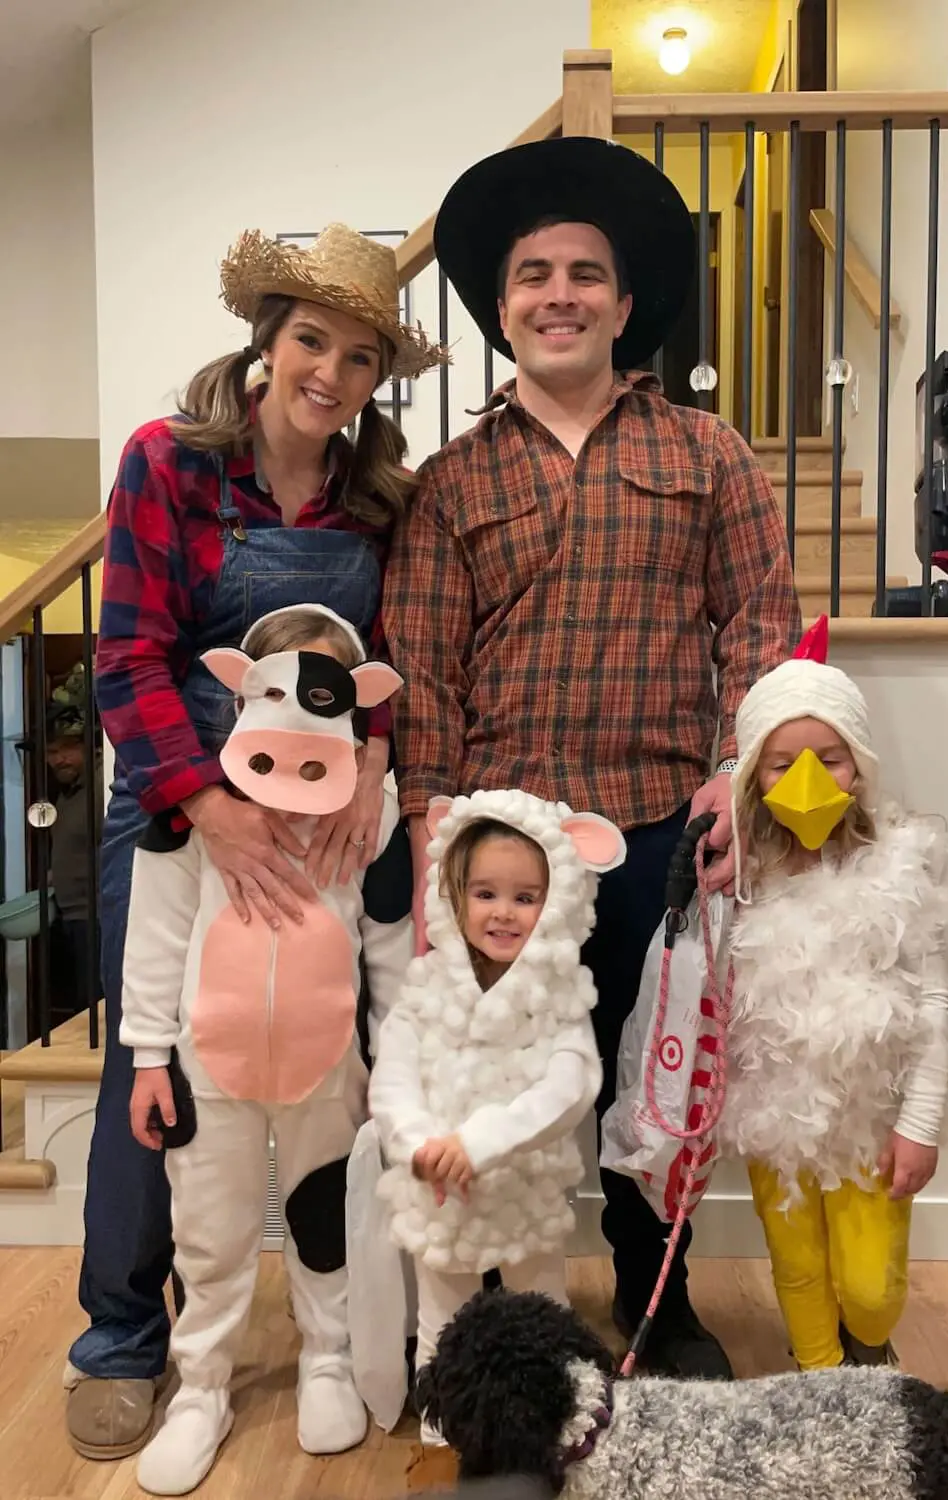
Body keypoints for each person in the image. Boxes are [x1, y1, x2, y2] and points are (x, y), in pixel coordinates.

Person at [384, 136, 802, 1378]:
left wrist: (742, 765)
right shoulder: (452, 482)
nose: (556, 293)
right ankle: (490, 1322)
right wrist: (428, 821)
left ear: (623, 304)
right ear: (501, 308)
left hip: (658, 833)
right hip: (496, 853)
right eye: (529, 276)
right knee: (489, 1081)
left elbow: (760, 624)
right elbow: (425, 662)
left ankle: (653, 1298)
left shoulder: (708, 455)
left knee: (642, 1079)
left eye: (582, 273)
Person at [65, 222, 444, 1460]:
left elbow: (399, 662)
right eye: (309, 341)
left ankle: (356, 1335)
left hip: (332, 815)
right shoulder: (168, 466)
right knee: (156, 1066)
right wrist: (208, 808)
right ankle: (125, 1342)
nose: (327, 373)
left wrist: (373, 770)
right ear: (265, 341)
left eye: (357, 356)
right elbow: (125, 656)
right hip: (182, 813)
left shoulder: (380, 499)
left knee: (341, 1051)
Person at [119, 604, 410, 1493]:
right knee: (210, 1231)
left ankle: (328, 1355)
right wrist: (145, 1057)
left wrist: (398, 1065)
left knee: (326, 1221)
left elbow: (391, 943)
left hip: (329, 1068)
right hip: (212, 1067)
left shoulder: (375, 814)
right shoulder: (194, 815)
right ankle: (201, 1386)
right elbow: (157, 934)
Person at [720, 616, 948, 1371]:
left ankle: (868, 1347)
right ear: (750, 780)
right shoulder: (741, 878)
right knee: (798, 1269)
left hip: (868, 1122)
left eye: (829, 759)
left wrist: (920, 1124)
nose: (805, 782)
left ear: (859, 766)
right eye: (779, 766)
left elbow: (934, 1008)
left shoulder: (905, 869)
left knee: (868, 1286)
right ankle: (820, 1382)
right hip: (775, 1124)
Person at [368, 789, 625, 1442]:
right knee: (441, 1319)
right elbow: (393, 1076)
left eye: (525, 897)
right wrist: (420, 1143)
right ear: (455, 894)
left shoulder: (558, 998)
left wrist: (480, 1141)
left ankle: (552, 1433)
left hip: (522, 1187)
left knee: (537, 1310)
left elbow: (569, 1086)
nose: (503, 912)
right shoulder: (426, 988)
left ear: (557, 902)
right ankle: (439, 1441)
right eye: (485, 893)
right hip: (438, 1186)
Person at [45, 687, 103, 1021]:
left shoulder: (99, 785)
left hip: (96, 918)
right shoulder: (68, 792)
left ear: (89, 746)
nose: (58, 759)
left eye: (67, 749)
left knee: (96, 1010)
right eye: (52, 751)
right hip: (73, 917)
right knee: (84, 1008)